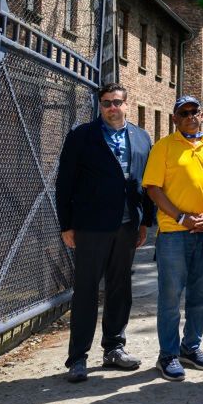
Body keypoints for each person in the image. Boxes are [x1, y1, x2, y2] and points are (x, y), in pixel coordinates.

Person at [55, 83, 153, 382]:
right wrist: (66, 225)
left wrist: (145, 221)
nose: (112, 107)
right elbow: (65, 183)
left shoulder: (141, 137)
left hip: (127, 227)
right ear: (100, 105)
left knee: (120, 289)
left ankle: (114, 348)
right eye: (106, 103)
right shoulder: (82, 136)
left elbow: (146, 183)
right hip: (91, 227)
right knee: (85, 291)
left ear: (127, 104)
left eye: (117, 102)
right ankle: (78, 358)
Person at [143, 95, 203, 381]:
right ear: (175, 118)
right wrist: (181, 217)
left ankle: (190, 348)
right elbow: (153, 188)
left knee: (201, 296)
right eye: (184, 112)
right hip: (174, 234)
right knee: (170, 296)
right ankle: (167, 355)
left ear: (201, 115)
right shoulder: (164, 147)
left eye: (195, 111)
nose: (191, 116)